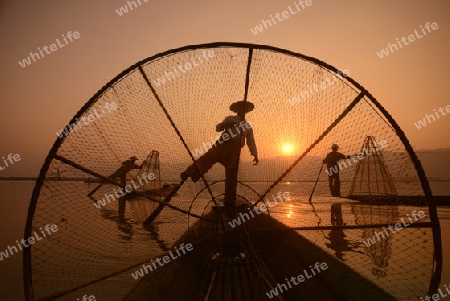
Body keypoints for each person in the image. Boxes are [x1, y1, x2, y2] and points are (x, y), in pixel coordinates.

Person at [180, 100, 258, 205]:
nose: (242, 111)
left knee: (231, 174)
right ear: (236, 110)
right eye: (240, 108)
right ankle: (189, 172)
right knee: (208, 158)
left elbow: (250, 141)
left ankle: (229, 199)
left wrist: (255, 154)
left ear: (247, 111)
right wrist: (223, 125)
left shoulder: (248, 126)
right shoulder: (230, 119)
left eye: (244, 109)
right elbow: (218, 128)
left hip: (235, 150)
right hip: (223, 144)